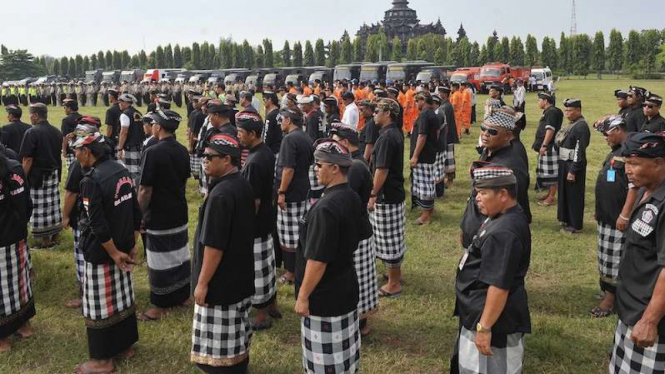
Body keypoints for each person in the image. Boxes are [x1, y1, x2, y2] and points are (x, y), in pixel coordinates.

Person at [452, 163, 531, 374]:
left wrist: (485, 327)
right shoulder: (501, 215)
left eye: (483, 193)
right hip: (479, 309)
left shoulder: (504, 232)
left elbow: (499, 284)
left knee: (491, 367)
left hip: (494, 319)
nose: (477, 198)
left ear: (503, 194)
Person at [73, 133, 140, 374]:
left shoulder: (91, 180)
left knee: (98, 304)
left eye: (77, 150)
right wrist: (131, 244)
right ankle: (124, 346)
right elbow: (135, 209)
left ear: (88, 152)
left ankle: (102, 361)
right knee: (121, 297)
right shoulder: (121, 170)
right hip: (122, 246)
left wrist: (112, 253)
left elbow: (97, 224)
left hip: (104, 251)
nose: (75, 154)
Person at [294, 139, 362, 374]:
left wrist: (303, 296)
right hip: (345, 286)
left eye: (319, 165)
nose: (315, 169)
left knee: (324, 364)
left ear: (335, 168)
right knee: (345, 360)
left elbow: (318, 260)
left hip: (324, 296)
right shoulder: (350, 196)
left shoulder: (326, 207)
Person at [191, 134, 255, 374]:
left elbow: (214, 245)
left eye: (210, 157)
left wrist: (203, 283)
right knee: (236, 338)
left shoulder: (221, 195)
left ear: (227, 160)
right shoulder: (240, 184)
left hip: (221, 283)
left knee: (218, 352)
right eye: (203, 156)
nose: (204, 161)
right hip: (239, 276)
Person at [610, 132, 665, 374]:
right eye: (626, 164)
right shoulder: (649, 190)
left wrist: (650, 320)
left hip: (650, 316)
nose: (628, 170)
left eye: (634, 164)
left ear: (658, 163)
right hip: (632, 307)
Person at [137, 110, 192, 321]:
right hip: (178, 209)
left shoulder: (153, 151)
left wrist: (138, 215)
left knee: (159, 260)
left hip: (159, 213)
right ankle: (182, 296)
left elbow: (145, 190)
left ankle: (159, 305)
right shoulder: (182, 150)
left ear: (158, 127)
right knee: (179, 255)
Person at [331, 123, 378, 336]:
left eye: (334, 141)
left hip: (355, 232)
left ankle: (360, 324)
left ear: (344, 142)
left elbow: (347, 203)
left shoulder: (355, 167)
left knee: (358, 278)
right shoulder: (354, 163)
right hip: (358, 229)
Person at [460, 108, 531, 249]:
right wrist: (466, 227)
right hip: (477, 229)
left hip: (491, 237)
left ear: (508, 135)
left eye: (492, 131)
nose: (485, 134)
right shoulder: (489, 150)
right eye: (483, 128)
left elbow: (510, 209)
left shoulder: (511, 166)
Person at [236, 111, 281, 331]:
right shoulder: (265, 152)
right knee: (268, 263)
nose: (238, 136)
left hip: (257, 223)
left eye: (241, 133)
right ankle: (272, 303)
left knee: (259, 268)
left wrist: (244, 225)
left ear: (253, 134)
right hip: (267, 217)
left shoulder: (254, 161)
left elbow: (252, 202)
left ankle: (262, 314)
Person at [590, 115, 638, 318]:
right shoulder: (617, 151)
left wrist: (625, 215)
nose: (605, 138)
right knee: (605, 258)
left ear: (619, 129)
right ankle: (608, 291)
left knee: (614, 260)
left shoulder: (631, 152)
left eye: (607, 134)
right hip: (607, 216)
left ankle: (610, 300)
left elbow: (634, 187)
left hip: (618, 220)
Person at [62, 118, 104, 309]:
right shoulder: (106, 156)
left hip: (84, 218)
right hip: (103, 217)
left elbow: (71, 193)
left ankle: (85, 295)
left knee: (82, 256)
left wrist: (65, 216)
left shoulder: (79, 163)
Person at [369, 98, 406, 298]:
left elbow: (381, 169)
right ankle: (394, 275)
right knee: (393, 237)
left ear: (388, 114)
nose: (374, 114)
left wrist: (373, 193)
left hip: (387, 195)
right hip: (394, 192)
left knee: (389, 239)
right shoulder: (393, 133)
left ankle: (394, 284)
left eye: (377, 111)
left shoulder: (386, 137)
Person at [0, 150, 35, 352]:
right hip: (18, 235)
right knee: (20, 281)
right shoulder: (16, 167)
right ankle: (24, 326)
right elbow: (27, 204)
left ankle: (2, 340)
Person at [275, 107, 313, 285]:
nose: (280, 123)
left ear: (288, 120)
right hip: (303, 189)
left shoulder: (289, 139)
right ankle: (300, 267)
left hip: (291, 193)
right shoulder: (305, 136)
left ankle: (291, 272)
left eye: (282, 119)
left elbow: (288, 168)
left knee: (288, 236)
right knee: (300, 232)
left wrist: (281, 192)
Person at [19, 103, 63, 249]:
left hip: (38, 176)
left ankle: (46, 243)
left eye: (30, 114)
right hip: (54, 173)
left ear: (36, 115)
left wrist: (22, 179)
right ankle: (55, 237)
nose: (29, 117)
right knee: (54, 207)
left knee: (40, 209)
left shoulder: (32, 132)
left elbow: (27, 159)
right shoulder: (56, 131)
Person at [556, 98, 591, 234]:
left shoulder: (581, 126)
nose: (567, 113)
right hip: (565, 162)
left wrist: (573, 170)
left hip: (573, 164)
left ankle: (575, 224)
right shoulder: (572, 124)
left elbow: (579, 150)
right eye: (566, 110)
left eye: (570, 110)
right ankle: (566, 218)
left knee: (574, 195)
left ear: (578, 110)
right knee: (565, 192)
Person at [410, 91, 439, 225]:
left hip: (423, 156)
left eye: (417, 101)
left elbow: (422, 136)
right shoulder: (432, 113)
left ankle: (425, 216)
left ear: (423, 100)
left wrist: (415, 156)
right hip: (430, 154)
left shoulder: (425, 115)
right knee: (428, 183)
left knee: (424, 186)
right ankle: (428, 211)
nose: (415, 104)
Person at [533, 92, 564, 206]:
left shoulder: (551, 112)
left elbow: (550, 130)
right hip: (549, 146)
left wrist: (544, 145)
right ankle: (549, 195)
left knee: (552, 173)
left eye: (539, 100)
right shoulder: (552, 111)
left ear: (545, 101)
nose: (538, 102)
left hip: (550, 147)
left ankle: (551, 197)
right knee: (547, 172)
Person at [116, 94, 144, 184]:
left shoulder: (125, 114)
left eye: (120, 102)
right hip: (140, 144)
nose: (119, 104)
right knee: (139, 169)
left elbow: (124, 132)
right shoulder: (137, 112)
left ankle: (135, 194)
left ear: (126, 103)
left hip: (130, 146)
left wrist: (120, 148)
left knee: (132, 172)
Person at [438, 86, 459, 186]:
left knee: (448, 158)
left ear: (445, 94)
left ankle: (449, 179)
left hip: (447, 136)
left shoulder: (445, 107)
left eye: (440, 93)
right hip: (448, 135)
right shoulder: (445, 105)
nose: (439, 94)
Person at [61, 99, 83, 171]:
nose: (64, 109)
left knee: (71, 171)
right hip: (82, 148)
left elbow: (65, 137)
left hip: (70, 150)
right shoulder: (82, 118)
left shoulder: (66, 120)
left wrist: (64, 150)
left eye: (65, 107)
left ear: (69, 108)